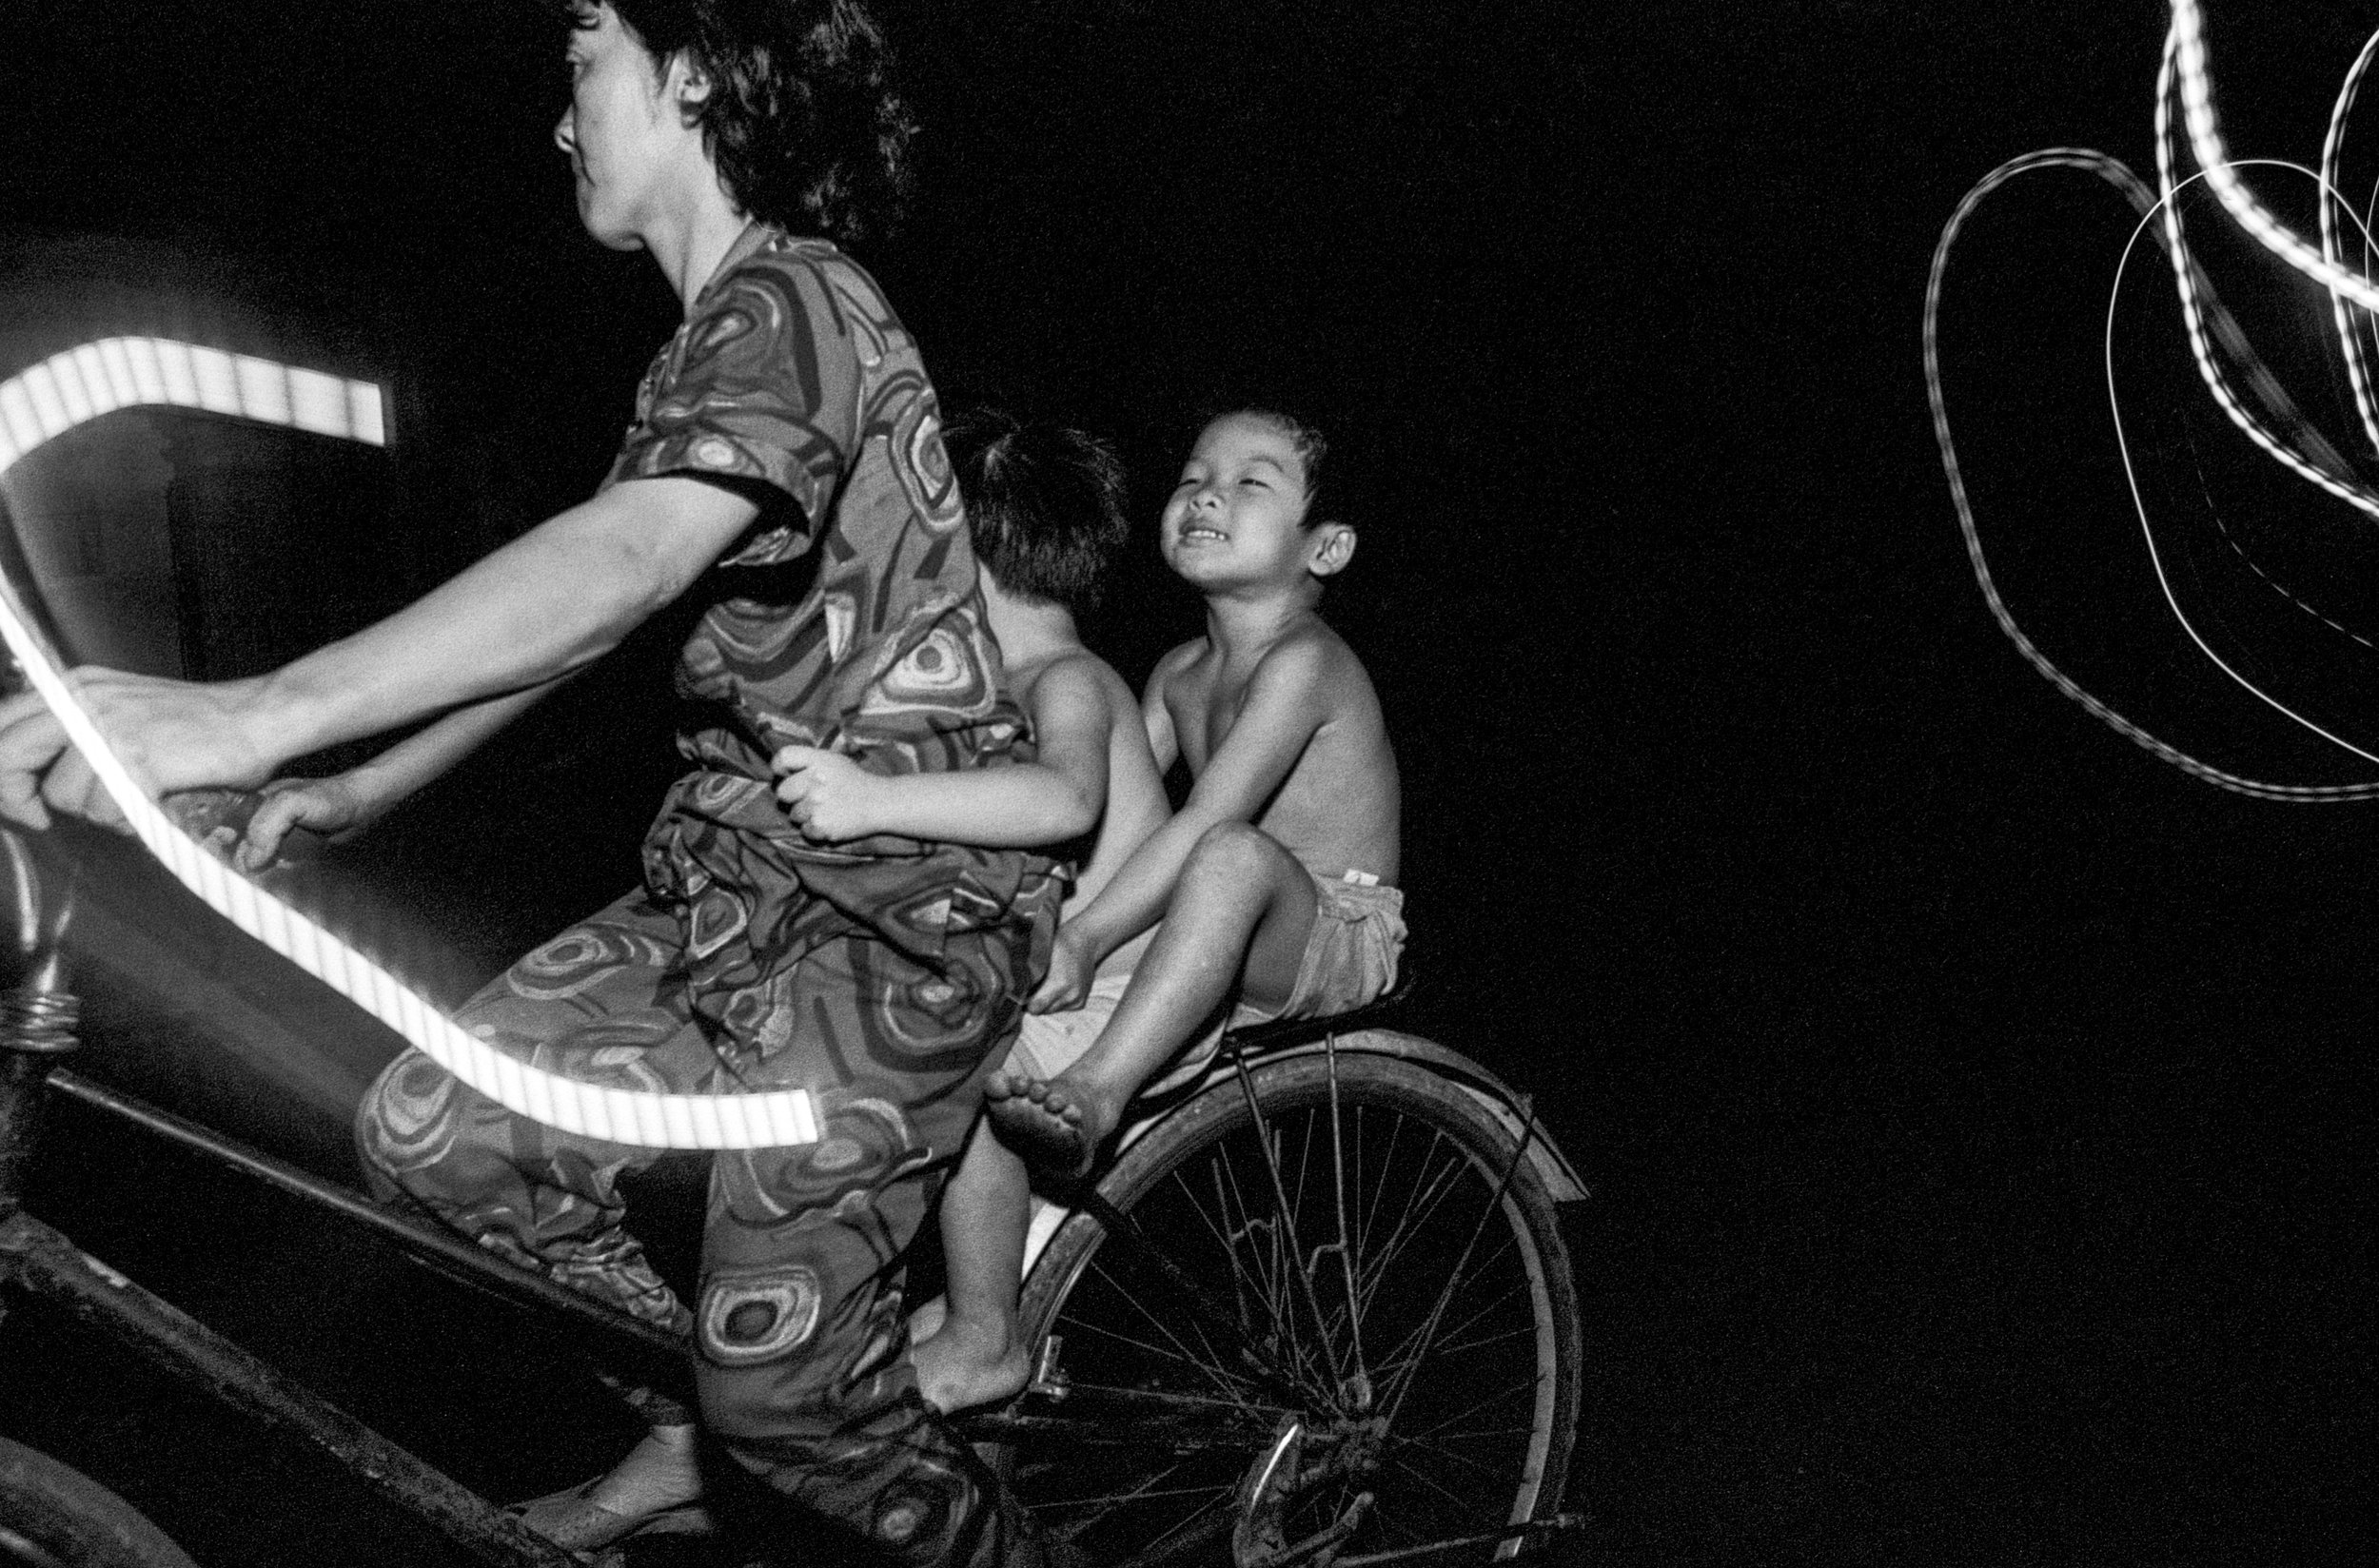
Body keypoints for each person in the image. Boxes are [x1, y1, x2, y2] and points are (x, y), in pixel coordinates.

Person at [0, 4, 1069, 1564]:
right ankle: (711, 1421)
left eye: (584, 58)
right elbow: (584, 625)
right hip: (729, 888)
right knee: (445, 1137)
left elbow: (621, 567)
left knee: (787, 1400)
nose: (559, 113)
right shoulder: (711, 343)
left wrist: (248, 713)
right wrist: (359, 781)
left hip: (893, 913)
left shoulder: (802, 305)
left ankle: (941, 1508)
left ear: (696, 66)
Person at [773, 409, 1168, 1414]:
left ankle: (987, 1335)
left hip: (1122, 992)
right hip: (1032, 974)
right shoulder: (995, 683)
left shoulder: (1066, 679)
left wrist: (870, 799)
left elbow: (1063, 800)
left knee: (964, 1060)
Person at [985, 408, 1405, 1182]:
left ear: (1327, 547)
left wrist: (1084, 940)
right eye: (1193, 479)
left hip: (1335, 929)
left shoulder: (1305, 662)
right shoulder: (1178, 672)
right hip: (1212, 917)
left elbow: (1214, 822)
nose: (1207, 497)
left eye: (1250, 483)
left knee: (1227, 850)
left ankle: (1098, 1094)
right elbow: (1116, 802)